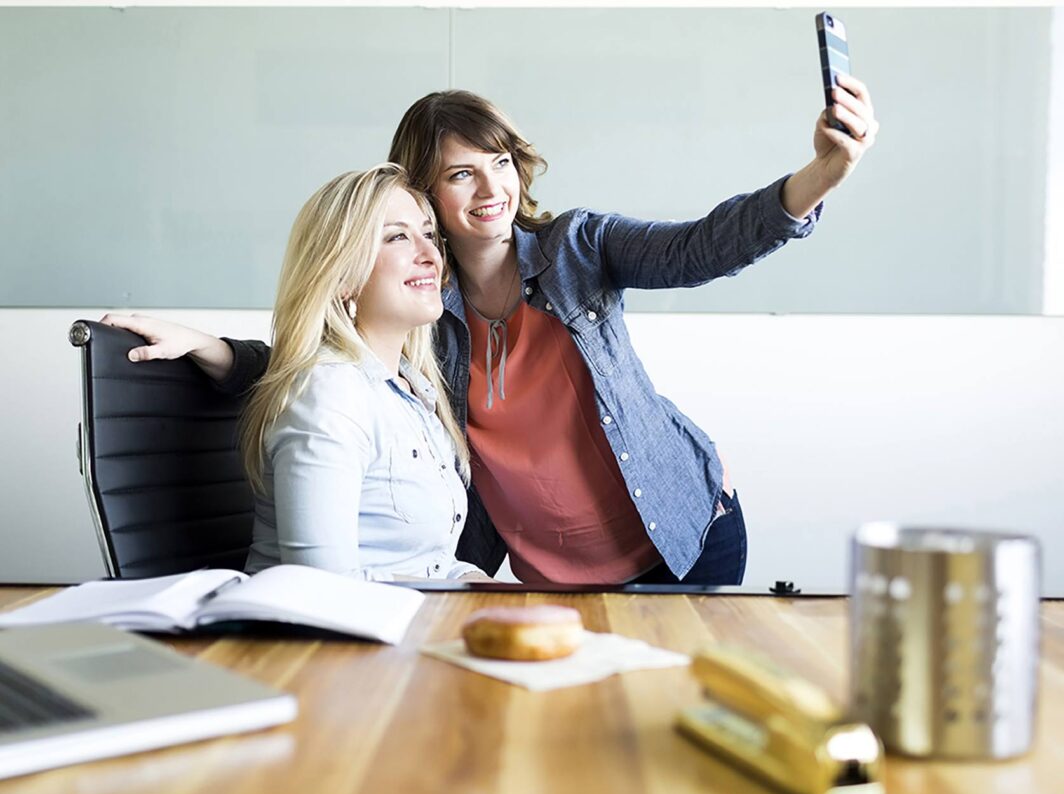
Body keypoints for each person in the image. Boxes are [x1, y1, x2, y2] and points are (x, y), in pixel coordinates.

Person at [104, 76, 878, 585]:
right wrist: (213, 351)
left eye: (500, 161)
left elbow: (702, 245)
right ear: (423, 191)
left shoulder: (579, 248)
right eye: (461, 173)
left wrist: (819, 176)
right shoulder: (418, 314)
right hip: (549, 579)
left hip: (682, 539)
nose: (491, 188)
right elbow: (326, 361)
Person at [229, 163, 488, 582]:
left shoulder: (412, 389)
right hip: (335, 641)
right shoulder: (329, 393)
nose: (431, 255)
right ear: (344, 277)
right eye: (398, 236)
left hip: (410, 624)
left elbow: (431, 564)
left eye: (428, 233)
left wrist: (505, 596)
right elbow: (324, 590)